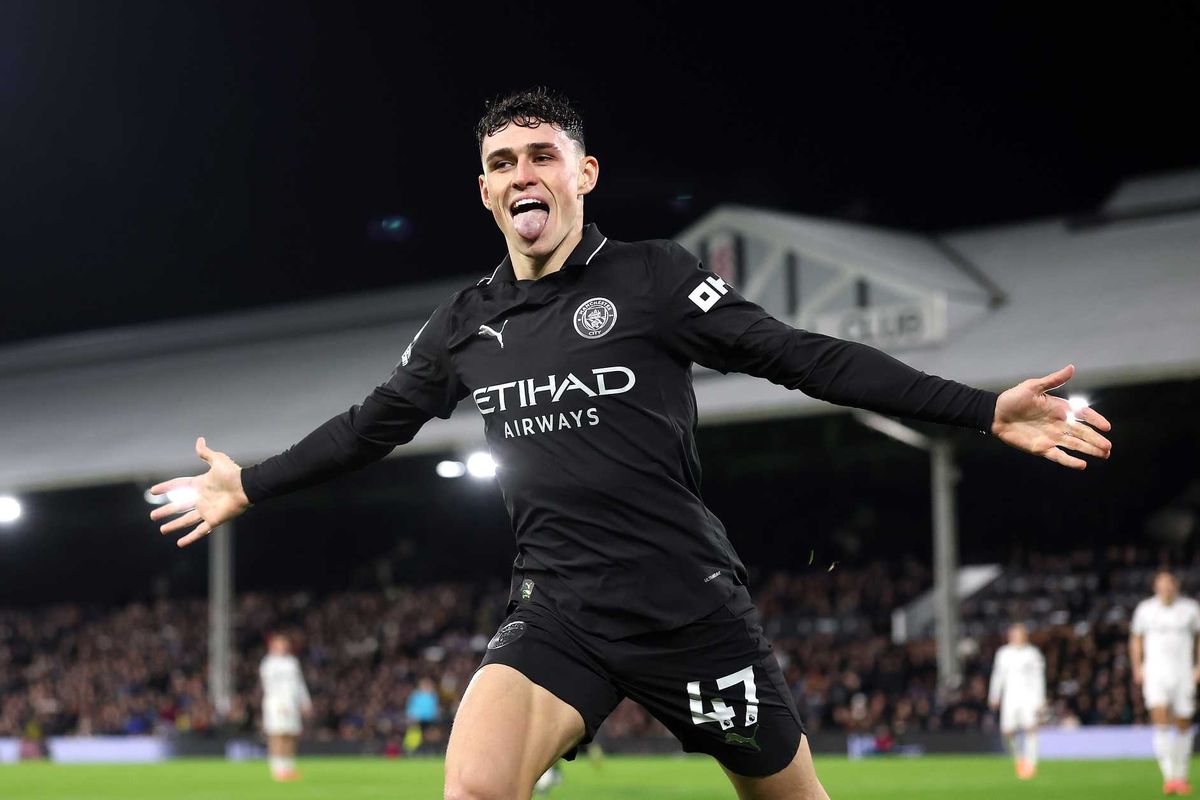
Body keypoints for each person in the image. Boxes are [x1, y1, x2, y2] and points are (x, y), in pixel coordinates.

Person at [150, 87, 1113, 800]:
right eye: (501, 162)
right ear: (484, 191)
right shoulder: (464, 323)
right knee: (474, 790)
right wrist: (255, 484)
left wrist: (982, 410)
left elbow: (799, 355)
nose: (521, 173)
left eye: (540, 154)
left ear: (583, 173)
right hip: (558, 610)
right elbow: (372, 426)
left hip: (689, 610)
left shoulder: (653, 280)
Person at [1131, 570, 1200, 796]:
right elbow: (1136, 638)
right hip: (1156, 674)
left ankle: (1181, 774)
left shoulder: (1190, 609)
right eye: (1162, 585)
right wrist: (1137, 666)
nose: (1166, 589)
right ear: (1155, 587)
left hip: (1183, 673)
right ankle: (1169, 777)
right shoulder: (1145, 610)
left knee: (1183, 722)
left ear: (1176, 586)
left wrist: (1199, 666)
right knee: (1160, 719)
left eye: (1169, 584)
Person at [988, 623, 1046, 779]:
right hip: (1010, 698)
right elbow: (998, 675)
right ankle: (1019, 758)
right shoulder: (1003, 653)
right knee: (1007, 731)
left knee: (1031, 729)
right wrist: (994, 695)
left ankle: (1031, 763)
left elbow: (1038, 678)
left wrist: (1040, 699)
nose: (1015, 637)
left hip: (1029, 697)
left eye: (1018, 634)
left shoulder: (1033, 653)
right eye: (1013, 634)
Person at [259, 633, 312, 782]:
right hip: (275, 704)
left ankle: (288, 768)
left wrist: (305, 702)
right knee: (277, 734)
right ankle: (277, 769)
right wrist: (281, 703)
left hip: (292, 704)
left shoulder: (292, 662)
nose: (283, 646)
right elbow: (269, 686)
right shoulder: (268, 664)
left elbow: (299, 684)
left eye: (285, 643)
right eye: (280, 643)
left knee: (291, 735)